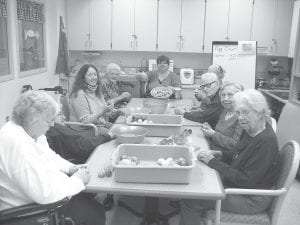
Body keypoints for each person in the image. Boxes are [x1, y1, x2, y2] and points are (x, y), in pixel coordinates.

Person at [0, 90, 105, 225]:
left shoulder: (30, 130)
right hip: (31, 212)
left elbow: (49, 156)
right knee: (94, 212)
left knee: (87, 198)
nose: (52, 125)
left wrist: (70, 167)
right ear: (33, 119)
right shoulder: (15, 143)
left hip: (43, 196)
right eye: (49, 120)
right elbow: (45, 194)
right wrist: (77, 180)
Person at [180, 89, 280, 225]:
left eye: (245, 112)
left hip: (251, 197)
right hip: (242, 188)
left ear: (260, 113)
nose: (240, 118)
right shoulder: (251, 129)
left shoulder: (265, 142)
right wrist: (220, 154)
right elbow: (237, 152)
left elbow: (245, 180)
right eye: (238, 112)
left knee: (192, 200)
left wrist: (213, 162)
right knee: (198, 182)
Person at [69, 64, 115, 134]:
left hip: (98, 125)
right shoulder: (79, 94)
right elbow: (85, 121)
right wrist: (102, 111)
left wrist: (112, 110)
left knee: (119, 128)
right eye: (90, 75)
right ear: (83, 78)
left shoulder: (96, 91)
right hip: (85, 129)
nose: (94, 77)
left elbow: (104, 112)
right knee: (115, 134)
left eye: (95, 74)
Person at [200, 82, 244, 151]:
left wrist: (213, 134)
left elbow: (235, 145)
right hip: (212, 150)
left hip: (224, 157)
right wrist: (209, 130)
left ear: (239, 97)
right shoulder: (224, 112)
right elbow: (220, 134)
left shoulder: (242, 117)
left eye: (230, 95)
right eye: (223, 95)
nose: (225, 99)